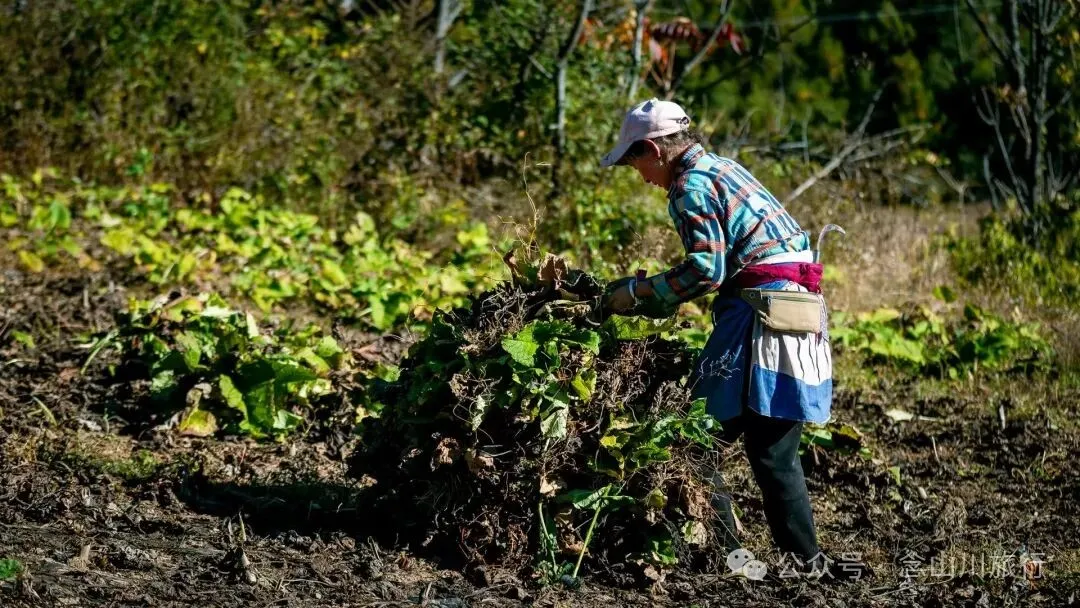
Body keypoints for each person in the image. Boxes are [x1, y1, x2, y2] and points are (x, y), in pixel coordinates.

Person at [599, 98, 836, 577]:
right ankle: (808, 564)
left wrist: (637, 292)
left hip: (759, 316)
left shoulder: (689, 186)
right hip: (797, 312)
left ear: (653, 150)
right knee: (773, 453)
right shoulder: (723, 167)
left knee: (691, 441)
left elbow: (707, 270)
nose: (640, 176)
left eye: (634, 162)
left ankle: (731, 559)